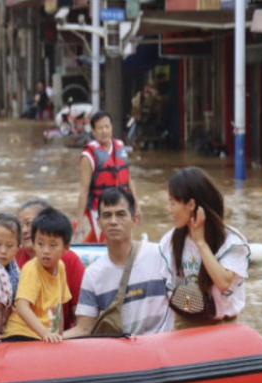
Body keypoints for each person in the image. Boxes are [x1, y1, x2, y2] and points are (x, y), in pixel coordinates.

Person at [64, 188, 172, 338]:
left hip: (164, 349)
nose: (113, 221)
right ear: (99, 223)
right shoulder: (93, 275)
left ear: (135, 219)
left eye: (120, 214)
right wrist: (45, 340)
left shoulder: (160, 255)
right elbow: (83, 329)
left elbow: (183, 305)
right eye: (107, 215)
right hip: (123, 355)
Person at [158, 167, 249, 329]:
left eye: (173, 203)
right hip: (185, 321)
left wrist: (201, 243)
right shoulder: (169, 241)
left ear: (191, 204)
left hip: (224, 324)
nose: (169, 209)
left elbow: (223, 282)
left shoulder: (231, 241)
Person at [2, 207, 72, 343]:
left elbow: (59, 307)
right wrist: (45, 333)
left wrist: (59, 335)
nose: (45, 251)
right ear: (33, 244)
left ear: (66, 248)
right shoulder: (31, 270)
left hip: (42, 336)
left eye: (53, 245)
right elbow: (22, 308)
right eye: (40, 244)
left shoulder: (61, 267)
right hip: (20, 334)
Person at [15, 198, 84, 330]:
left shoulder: (68, 260)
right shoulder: (14, 258)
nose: (24, 230)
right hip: (28, 334)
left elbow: (78, 310)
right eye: (20, 226)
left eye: (29, 223)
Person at [74, 110, 140, 243]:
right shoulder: (88, 156)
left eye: (107, 126)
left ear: (111, 127)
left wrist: (137, 205)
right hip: (99, 208)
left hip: (122, 203)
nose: (104, 131)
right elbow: (83, 190)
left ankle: (84, 247)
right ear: (93, 131)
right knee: (108, 241)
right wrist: (79, 220)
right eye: (100, 128)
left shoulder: (120, 146)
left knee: (124, 238)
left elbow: (128, 179)